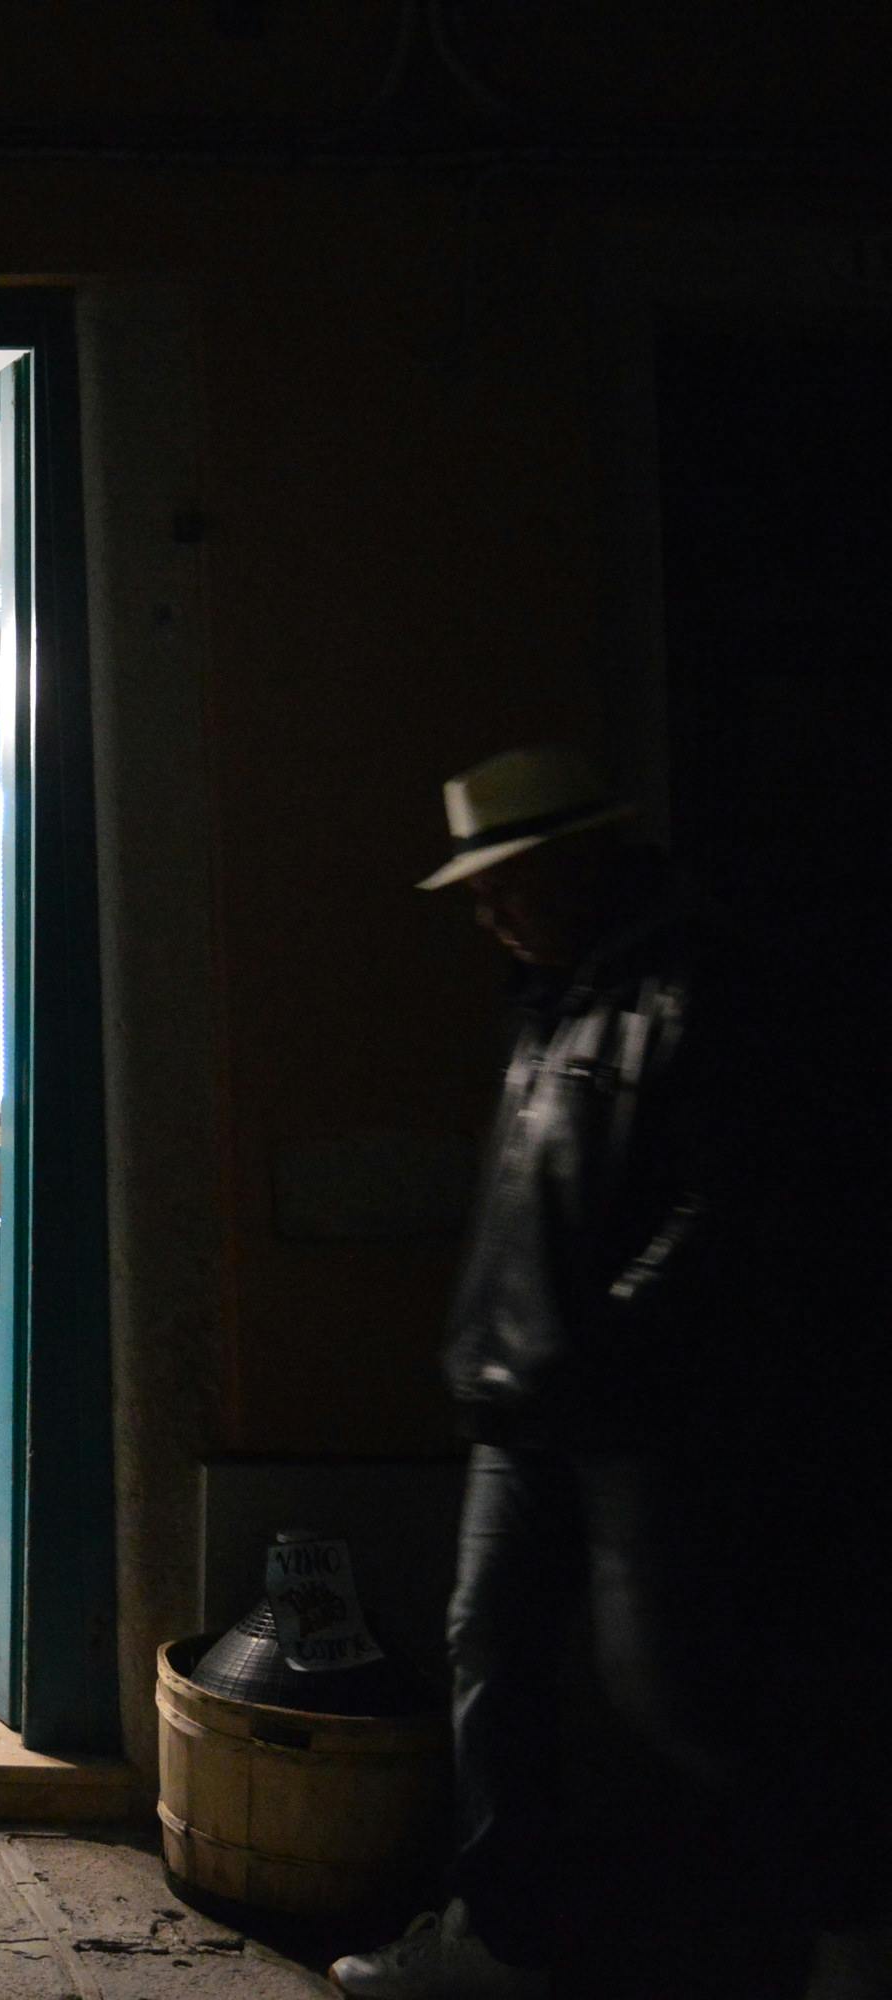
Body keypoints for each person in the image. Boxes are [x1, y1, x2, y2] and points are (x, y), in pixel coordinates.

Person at [331, 748, 884, 1999]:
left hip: (635, 1408)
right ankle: (503, 1936)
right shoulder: (555, 990)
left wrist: (605, 1346)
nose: (487, 913)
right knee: (493, 1656)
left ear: (576, 862)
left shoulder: (694, 985)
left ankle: (848, 1919)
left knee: (681, 1687)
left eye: (502, 885)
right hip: (522, 1395)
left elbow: (728, 1208)